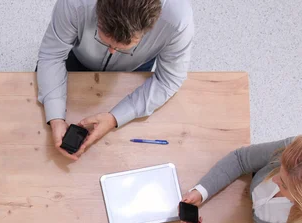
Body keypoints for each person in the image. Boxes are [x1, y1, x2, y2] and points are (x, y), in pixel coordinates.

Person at [37, 0, 194, 160]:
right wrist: (55, 117)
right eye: (105, 39)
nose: (112, 51)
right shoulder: (74, 3)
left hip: (135, 68)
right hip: (78, 57)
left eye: (123, 47)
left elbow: (169, 79)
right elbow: (52, 55)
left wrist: (115, 118)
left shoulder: (178, 20)